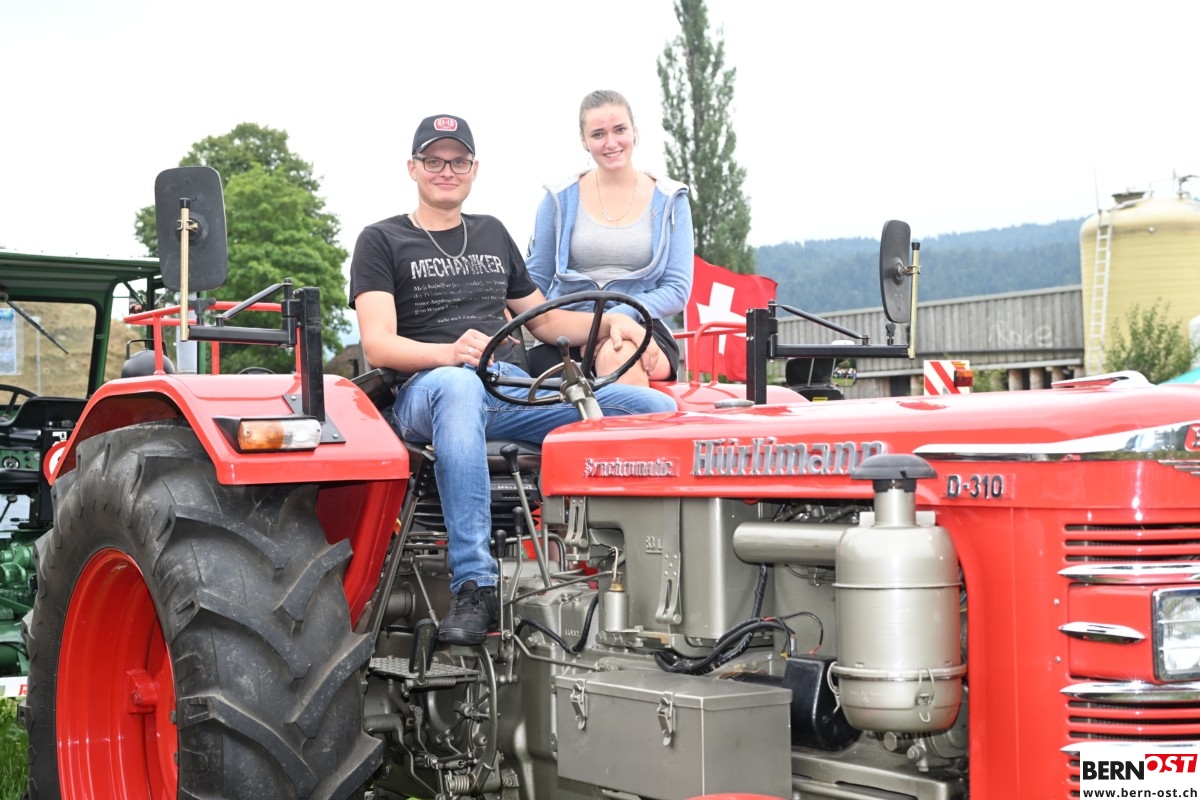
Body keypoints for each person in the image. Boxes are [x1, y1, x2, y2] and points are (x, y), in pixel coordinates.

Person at [349, 114, 678, 646]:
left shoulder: (491, 232)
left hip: (504, 387)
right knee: (458, 386)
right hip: (425, 390)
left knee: (652, 411)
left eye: (458, 161)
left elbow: (545, 321)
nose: (446, 170)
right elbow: (379, 344)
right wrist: (447, 355)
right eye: (434, 160)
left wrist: (614, 322)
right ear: (413, 168)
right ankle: (474, 583)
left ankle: (639, 570)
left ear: (474, 169)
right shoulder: (381, 239)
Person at [525, 89, 694, 386]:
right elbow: (534, 281)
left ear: (634, 130)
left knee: (620, 353)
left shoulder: (671, 199)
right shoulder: (558, 199)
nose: (611, 143)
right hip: (568, 330)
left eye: (619, 130)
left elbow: (677, 289)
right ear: (583, 140)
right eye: (598, 134)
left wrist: (622, 316)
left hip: (642, 324)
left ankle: (628, 416)